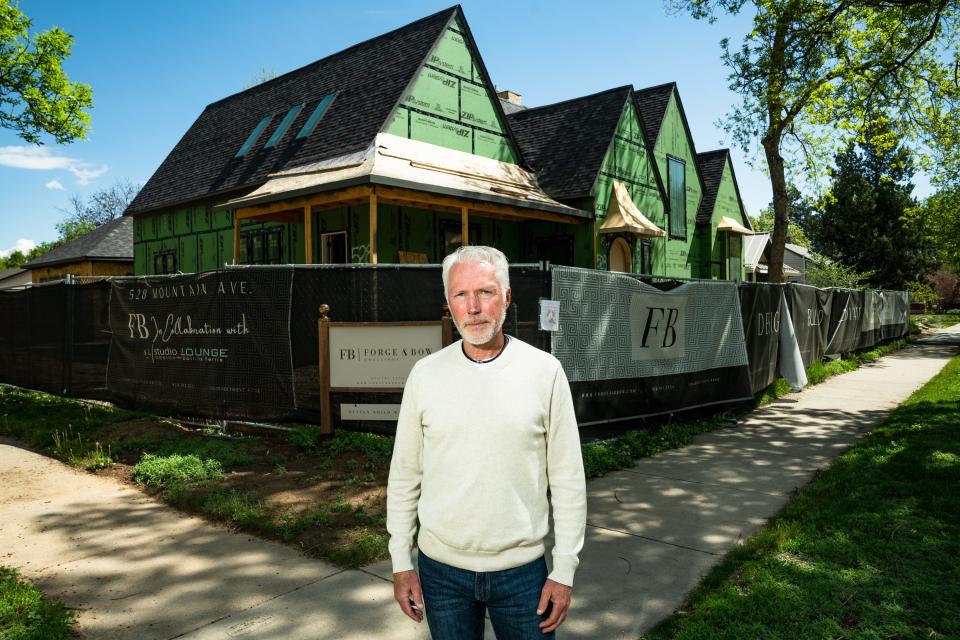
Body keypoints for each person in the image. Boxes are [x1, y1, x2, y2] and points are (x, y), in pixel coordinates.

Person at [387, 245, 586, 639]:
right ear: (449, 303)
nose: (474, 307)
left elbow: (567, 479)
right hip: (441, 574)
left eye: (486, 292)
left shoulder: (545, 373)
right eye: (461, 295)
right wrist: (400, 561)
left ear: (507, 298)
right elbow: (405, 475)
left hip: (523, 576)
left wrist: (564, 569)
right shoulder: (425, 375)